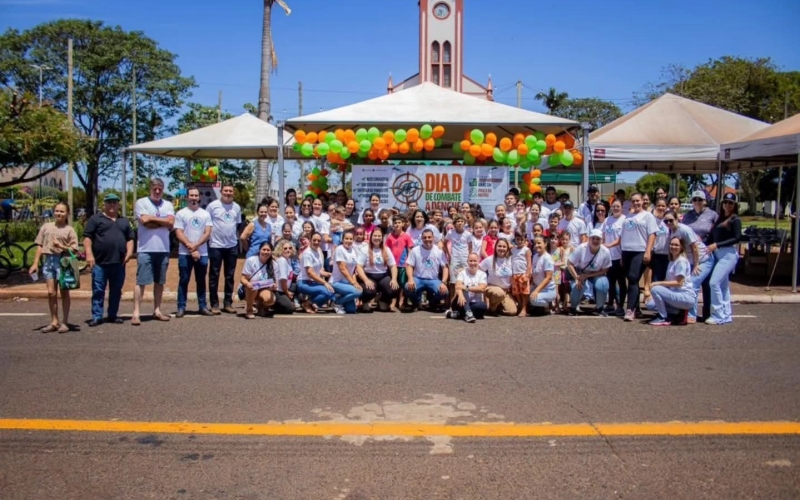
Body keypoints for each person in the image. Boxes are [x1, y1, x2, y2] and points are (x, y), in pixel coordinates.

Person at [83, 194, 134, 327]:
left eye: (114, 202)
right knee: (98, 290)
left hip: (119, 263)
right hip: (100, 263)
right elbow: (87, 237)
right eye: (109, 202)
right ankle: (97, 316)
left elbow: (130, 238)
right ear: (104, 204)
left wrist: (129, 253)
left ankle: (112, 315)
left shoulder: (124, 221)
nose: (111, 205)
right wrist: (89, 254)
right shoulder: (95, 219)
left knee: (116, 291)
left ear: (118, 205)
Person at [29, 202, 79, 333]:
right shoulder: (46, 227)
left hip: (63, 261)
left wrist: (61, 246)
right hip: (48, 261)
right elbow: (39, 245)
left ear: (67, 213)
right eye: (57, 211)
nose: (59, 214)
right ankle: (54, 321)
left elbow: (75, 249)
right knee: (51, 293)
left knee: (64, 292)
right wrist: (35, 263)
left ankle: (65, 322)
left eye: (62, 211)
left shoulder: (69, 229)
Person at [132, 178, 175, 325]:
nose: (157, 191)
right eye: (155, 188)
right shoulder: (141, 203)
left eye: (160, 188)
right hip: (145, 249)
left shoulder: (168, 204)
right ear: (150, 188)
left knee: (159, 281)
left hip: (163, 249)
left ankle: (157, 310)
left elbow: (171, 223)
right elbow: (145, 222)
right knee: (141, 281)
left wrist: (153, 219)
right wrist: (162, 222)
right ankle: (136, 313)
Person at [663, 211, 710, 323]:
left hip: (703, 259)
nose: (668, 222)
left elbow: (694, 247)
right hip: (690, 260)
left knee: (693, 284)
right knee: (686, 285)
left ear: (677, 219)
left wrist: (697, 264)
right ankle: (682, 311)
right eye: (666, 221)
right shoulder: (671, 231)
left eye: (671, 220)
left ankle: (691, 315)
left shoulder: (684, 229)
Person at [173, 187, 213, 318]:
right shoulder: (181, 213)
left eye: (196, 196)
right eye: (191, 195)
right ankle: (181, 307)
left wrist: (196, 246)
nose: (194, 198)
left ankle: (202, 306)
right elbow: (178, 232)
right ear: (187, 197)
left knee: (201, 280)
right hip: (185, 254)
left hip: (202, 254)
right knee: (184, 280)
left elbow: (207, 233)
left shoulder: (205, 214)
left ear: (199, 197)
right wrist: (191, 248)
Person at [620, 192, 658, 321]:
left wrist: (648, 251)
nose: (636, 203)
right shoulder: (628, 217)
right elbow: (623, 236)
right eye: (633, 201)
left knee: (633, 277)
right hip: (626, 251)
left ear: (642, 201)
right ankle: (636, 308)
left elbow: (652, 234)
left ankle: (630, 309)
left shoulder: (648, 216)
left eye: (638, 201)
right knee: (631, 280)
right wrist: (621, 254)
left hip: (640, 250)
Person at [705, 193, 742, 325]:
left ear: (735, 205)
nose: (727, 205)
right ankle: (726, 314)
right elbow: (712, 236)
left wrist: (717, 245)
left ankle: (718, 314)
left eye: (730, 203)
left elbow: (737, 238)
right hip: (718, 254)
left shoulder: (735, 219)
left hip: (729, 254)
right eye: (725, 202)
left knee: (714, 283)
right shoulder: (720, 218)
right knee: (723, 286)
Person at [682, 190, 718, 321]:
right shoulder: (687, 216)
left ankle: (708, 312)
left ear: (705, 201)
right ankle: (691, 313)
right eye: (694, 199)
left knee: (705, 284)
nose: (697, 202)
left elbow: (718, 231)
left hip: (706, 254)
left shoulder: (712, 215)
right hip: (691, 255)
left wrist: (714, 244)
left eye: (700, 199)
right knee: (693, 283)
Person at [207, 183, 242, 315]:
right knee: (214, 275)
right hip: (216, 246)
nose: (228, 193)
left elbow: (238, 226)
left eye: (230, 191)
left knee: (229, 276)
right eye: (226, 191)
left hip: (231, 246)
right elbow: (207, 224)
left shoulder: (237, 207)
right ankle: (214, 304)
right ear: (221, 192)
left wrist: (236, 242)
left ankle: (228, 303)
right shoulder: (213, 206)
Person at [645, 236, 696, 326]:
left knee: (655, 289)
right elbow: (668, 281)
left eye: (676, 245)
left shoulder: (681, 261)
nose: (673, 247)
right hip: (675, 295)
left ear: (682, 247)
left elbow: (678, 283)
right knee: (650, 304)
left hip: (685, 297)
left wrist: (658, 283)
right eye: (672, 244)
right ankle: (676, 312)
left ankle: (663, 317)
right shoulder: (672, 261)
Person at [566, 229, 612, 316]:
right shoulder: (581, 248)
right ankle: (573, 307)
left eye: (598, 239)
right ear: (589, 239)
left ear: (601, 240)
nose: (595, 241)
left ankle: (600, 308)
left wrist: (587, 275)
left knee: (603, 284)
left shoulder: (605, 252)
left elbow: (604, 270)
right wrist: (577, 278)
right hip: (580, 271)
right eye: (593, 238)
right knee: (578, 285)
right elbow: (569, 263)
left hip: (596, 273)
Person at [405, 228, 449, 312]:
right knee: (408, 287)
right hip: (418, 278)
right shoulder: (415, 250)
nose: (427, 239)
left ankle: (432, 303)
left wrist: (443, 282)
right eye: (425, 237)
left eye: (429, 237)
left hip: (433, 279)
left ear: (433, 238)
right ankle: (417, 302)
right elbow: (409, 266)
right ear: (421, 238)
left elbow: (445, 267)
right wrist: (410, 279)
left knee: (444, 292)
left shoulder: (439, 251)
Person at [358, 226, 400, 312]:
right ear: (371, 236)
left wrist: (394, 279)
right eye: (375, 236)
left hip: (383, 276)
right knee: (369, 291)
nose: (377, 238)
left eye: (379, 236)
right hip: (369, 276)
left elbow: (393, 266)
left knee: (394, 289)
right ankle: (365, 301)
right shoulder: (364, 249)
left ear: (382, 237)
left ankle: (382, 299)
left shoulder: (386, 249)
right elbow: (359, 267)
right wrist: (366, 280)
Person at [296, 232, 335, 313]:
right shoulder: (307, 253)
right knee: (327, 291)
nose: (316, 242)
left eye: (319, 240)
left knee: (331, 292)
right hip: (303, 282)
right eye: (314, 240)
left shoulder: (317, 251)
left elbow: (319, 271)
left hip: (313, 282)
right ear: (310, 240)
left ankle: (312, 303)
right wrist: (325, 282)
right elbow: (310, 273)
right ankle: (307, 304)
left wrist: (329, 274)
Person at [240, 241, 278, 319]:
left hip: (263, 289)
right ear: (259, 250)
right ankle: (249, 310)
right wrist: (248, 284)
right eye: (264, 249)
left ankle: (260, 306)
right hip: (248, 289)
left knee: (271, 299)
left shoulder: (274, 264)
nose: (266, 252)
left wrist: (274, 286)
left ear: (271, 252)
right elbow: (242, 279)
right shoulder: (251, 260)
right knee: (253, 285)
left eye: (268, 250)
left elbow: (275, 282)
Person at [601, 199, 626, 315]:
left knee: (621, 282)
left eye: (618, 206)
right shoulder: (607, 220)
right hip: (609, 257)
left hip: (620, 255)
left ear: (622, 207)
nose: (616, 208)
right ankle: (610, 304)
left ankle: (620, 305)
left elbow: (622, 239)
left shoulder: (625, 220)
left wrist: (609, 245)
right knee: (610, 282)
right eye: (614, 206)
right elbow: (604, 236)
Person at [480, 238, 516, 316]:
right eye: (499, 246)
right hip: (492, 289)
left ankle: (498, 306)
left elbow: (519, 248)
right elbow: (478, 270)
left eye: (504, 246)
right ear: (495, 247)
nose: (501, 248)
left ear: (507, 248)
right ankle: (491, 309)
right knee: (498, 293)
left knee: (512, 311)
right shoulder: (489, 259)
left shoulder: (510, 259)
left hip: (506, 290)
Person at [330, 230, 363, 314]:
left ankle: (341, 297)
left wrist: (354, 282)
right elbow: (343, 269)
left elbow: (353, 270)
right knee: (358, 291)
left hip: (347, 283)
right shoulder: (339, 250)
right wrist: (353, 283)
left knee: (351, 310)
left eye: (351, 239)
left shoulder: (353, 249)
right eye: (346, 238)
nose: (348, 241)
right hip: (336, 282)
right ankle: (336, 302)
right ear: (342, 239)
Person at [448, 252, 488, 322]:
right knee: (463, 290)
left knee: (483, 307)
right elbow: (458, 286)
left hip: (474, 303)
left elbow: (482, 288)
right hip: (460, 301)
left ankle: (458, 314)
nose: (472, 263)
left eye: (475, 261)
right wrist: (460, 295)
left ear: (478, 262)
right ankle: (468, 313)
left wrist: (466, 287)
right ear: (467, 262)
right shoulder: (462, 273)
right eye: (470, 261)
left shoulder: (482, 274)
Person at [444, 214, 473, 298]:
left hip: (464, 260)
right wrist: (449, 255)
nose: (460, 223)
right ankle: (452, 304)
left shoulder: (467, 234)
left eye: (462, 221)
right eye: (458, 221)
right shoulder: (450, 233)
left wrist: (469, 257)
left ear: (464, 223)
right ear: (454, 223)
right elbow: (444, 243)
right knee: (453, 282)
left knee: (464, 281)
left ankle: (464, 301)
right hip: (454, 260)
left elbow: (470, 246)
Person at [528, 235, 557, 314]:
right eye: (535, 243)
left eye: (539, 243)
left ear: (545, 243)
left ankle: (547, 306)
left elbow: (548, 278)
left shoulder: (547, 258)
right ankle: (539, 306)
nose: (536, 245)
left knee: (533, 299)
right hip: (537, 286)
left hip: (548, 290)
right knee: (525, 294)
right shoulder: (535, 256)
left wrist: (536, 291)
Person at [510, 230, 532, 316]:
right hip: (515, 273)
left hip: (523, 273)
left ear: (525, 240)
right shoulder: (513, 250)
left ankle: (524, 308)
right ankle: (520, 306)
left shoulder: (526, 250)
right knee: (517, 293)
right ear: (515, 239)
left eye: (521, 239)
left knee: (524, 293)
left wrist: (527, 274)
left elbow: (529, 263)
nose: (519, 241)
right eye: (517, 239)